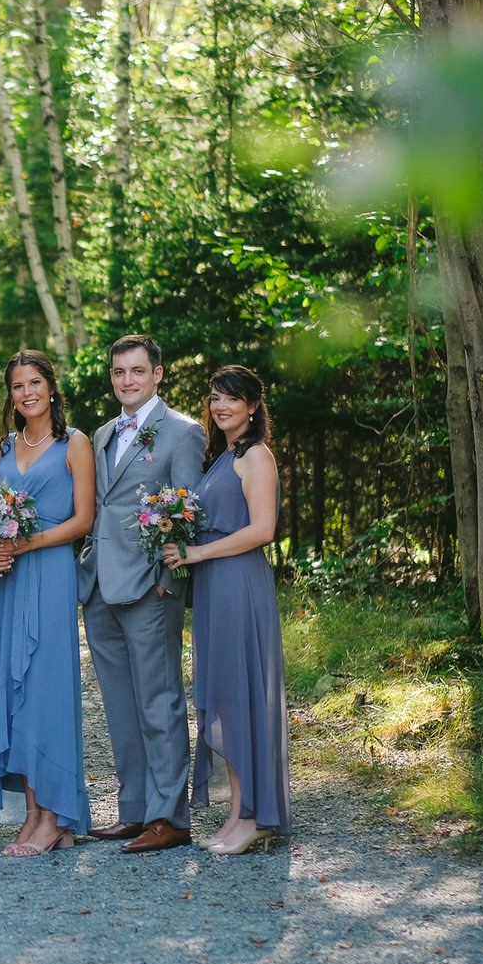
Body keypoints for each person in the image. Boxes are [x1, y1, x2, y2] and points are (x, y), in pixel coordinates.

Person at [77, 335, 206, 855]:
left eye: (136, 371)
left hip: (152, 585)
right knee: (119, 704)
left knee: (159, 700)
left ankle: (169, 815)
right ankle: (134, 809)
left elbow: (187, 510)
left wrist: (169, 578)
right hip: (101, 585)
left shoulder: (182, 433)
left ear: (158, 374)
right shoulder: (105, 433)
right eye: (118, 372)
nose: (126, 381)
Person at [161, 365, 290, 855]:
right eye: (215, 398)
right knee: (224, 698)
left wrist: (195, 553)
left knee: (241, 697)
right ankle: (239, 811)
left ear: (253, 406)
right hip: (214, 588)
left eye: (232, 399)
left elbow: (262, 530)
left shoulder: (256, 456)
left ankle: (254, 814)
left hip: (239, 586)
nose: (221, 407)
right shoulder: (223, 456)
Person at [0, 351, 95, 856]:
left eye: (35, 383)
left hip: (49, 574)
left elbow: (83, 520)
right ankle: (32, 816)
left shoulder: (75, 444)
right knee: (11, 690)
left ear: (51, 387)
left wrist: (27, 544)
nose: (27, 393)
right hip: (8, 581)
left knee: (46, 688)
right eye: (18, 386)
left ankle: (57, 814)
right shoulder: (2, 447)